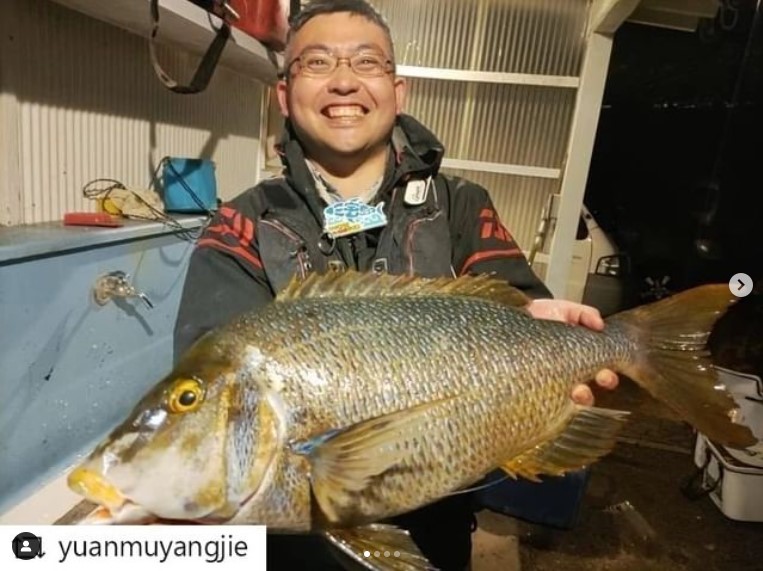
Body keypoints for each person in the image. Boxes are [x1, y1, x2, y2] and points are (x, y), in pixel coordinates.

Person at [174, 1, 618, 568]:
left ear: (397, 91)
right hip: (287, 549)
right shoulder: (239, 226)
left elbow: (517, 303)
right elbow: (217, 390)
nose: (343, 81)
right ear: (283, 95)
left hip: (438, 537)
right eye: (317, 62)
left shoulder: (461, 206)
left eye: (366, 62)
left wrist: (548, 344)